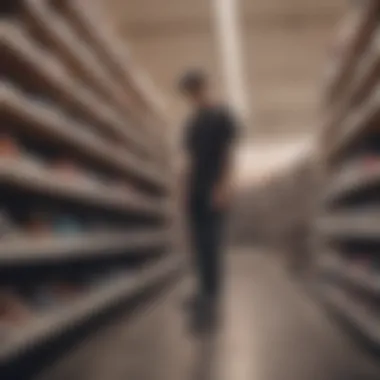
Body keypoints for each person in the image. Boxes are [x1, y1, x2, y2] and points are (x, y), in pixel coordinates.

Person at [178, 69, 238, 322]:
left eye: (196, 89)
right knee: (198, 243)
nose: (193, 96)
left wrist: (224, 186)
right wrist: (183, 189)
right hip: (195, 188)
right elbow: (189, 161)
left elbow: (228, 153)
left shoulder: (222, 115)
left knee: (211, 242)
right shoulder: (191, 123)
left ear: (205, 86)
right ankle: (202, 290)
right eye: (189, 93)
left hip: (214, 186)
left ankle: (212, 296)